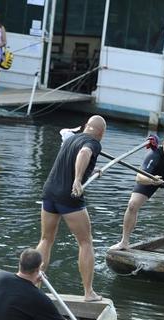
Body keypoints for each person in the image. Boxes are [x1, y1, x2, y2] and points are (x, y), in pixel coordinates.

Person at [36, 116, 106, 303]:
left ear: (85, 127)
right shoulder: (93, 142)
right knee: (85, 242)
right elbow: (83, 153)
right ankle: (89, 293)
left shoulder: (71, 139)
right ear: (102, 134)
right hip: (68, 197)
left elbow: (73, 159)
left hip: (49, 192)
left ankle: (34, 286)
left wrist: (92, 170)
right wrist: (77, 179)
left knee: (46, 239)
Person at [110, 132, 164, 262]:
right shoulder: (154, 154)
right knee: (132, 204)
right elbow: (139, 178)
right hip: (151, 178)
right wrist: (151, 181)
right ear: (163, 144)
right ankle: (124, 242)